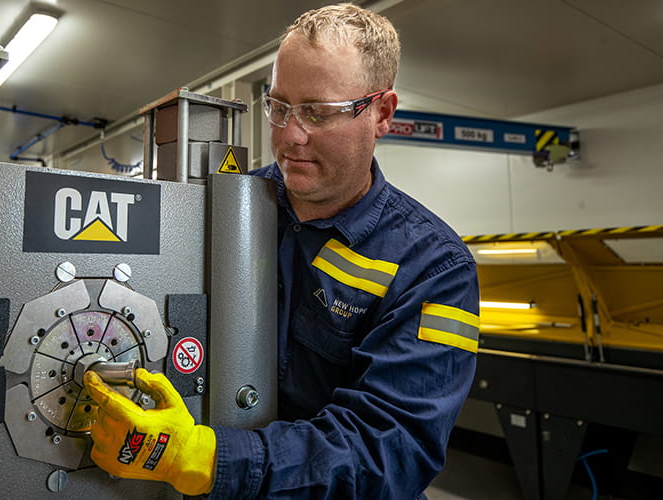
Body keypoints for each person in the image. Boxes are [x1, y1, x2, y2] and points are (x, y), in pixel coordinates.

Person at [83, 3, 480, 499]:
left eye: (318, 112)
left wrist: (204, 458)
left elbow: (392, 450)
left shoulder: (433, 267)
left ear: (381, 113)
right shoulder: (221, 214)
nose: (289, 136)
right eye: (278, 107)